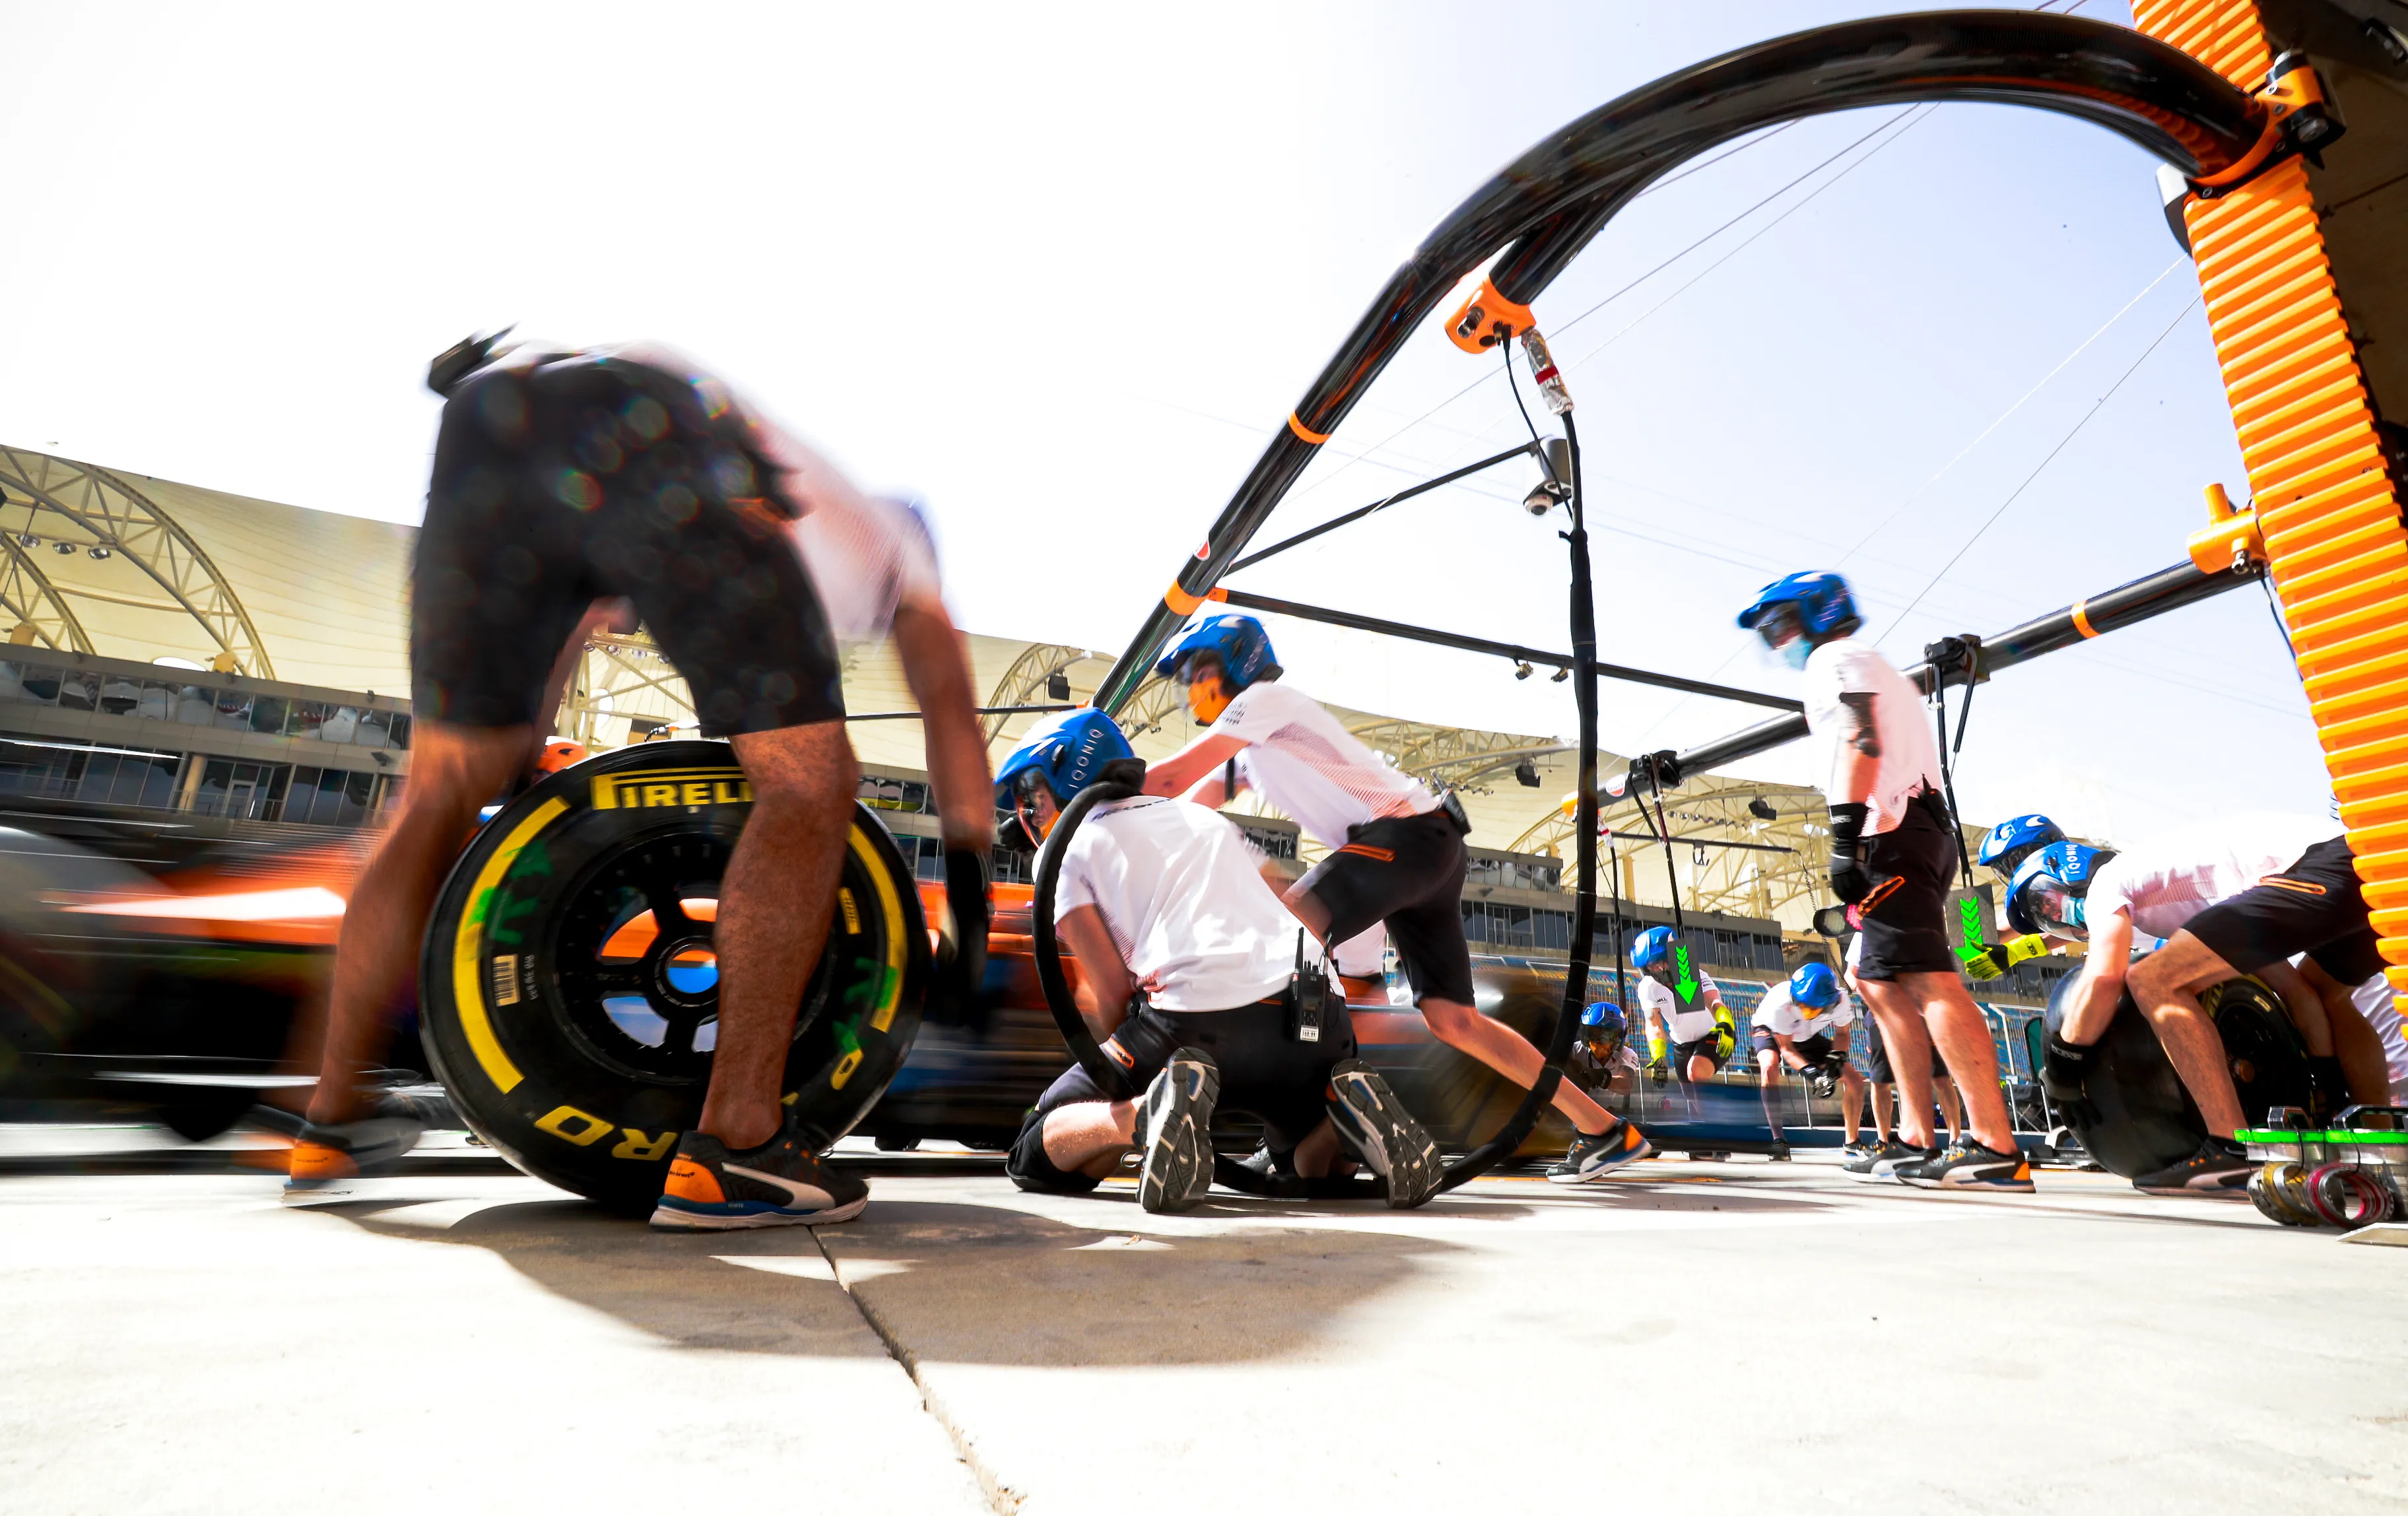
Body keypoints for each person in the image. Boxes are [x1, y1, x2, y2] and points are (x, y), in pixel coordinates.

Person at [286, 339, 995, 1236]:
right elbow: (951, 716)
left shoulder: (778, 501)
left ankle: (331, 1119)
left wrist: (514, 761)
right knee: (810, 785)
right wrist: (968, 887)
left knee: (440, 791)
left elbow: (578, 614)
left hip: (491, 419)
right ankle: (737, 1147)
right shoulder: (899, 550)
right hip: (655, 427)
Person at [1139, 612, 1651, 1184]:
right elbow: (1189, 805)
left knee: (1286, 935)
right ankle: (1606, 1129)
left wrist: (1095, 791)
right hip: (1419, 851)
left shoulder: (1264, 699)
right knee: (1451, 1020)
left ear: (1237, 665)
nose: (1192, 686)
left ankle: (1302, 1129)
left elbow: (1165, 782)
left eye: (1199, 670)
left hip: (1401, 840)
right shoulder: (1251, 750)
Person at [999, 709, 1442, 1211]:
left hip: (1192, 1024)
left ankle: (1147, 1114)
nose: (1027, 820)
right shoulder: (1202, 818)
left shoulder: (1064, 851)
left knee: (1037, 1147)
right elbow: (1294, 902)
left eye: (1027, 803)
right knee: (1304, 1161)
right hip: (1316, 1015)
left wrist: (1116, 1077)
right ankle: (1346, 1120)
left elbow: (1110, 993)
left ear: (1055, 781)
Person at [1739, 570, 2030, 1190]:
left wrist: (1844, 835)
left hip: (1892, 828)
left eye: (1780, 624)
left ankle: (1994, 1145)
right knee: (1879, 987)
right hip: (1909, 827)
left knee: (1931, 984)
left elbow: (1861, 738)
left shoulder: (1835, 659)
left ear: (1818, 615)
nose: (1777, 640)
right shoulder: (1864, 663)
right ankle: (1915, 1139)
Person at [2010, 814, 2390, 1193]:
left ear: (2062, 875)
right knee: (2325, 991)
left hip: (2324, 860)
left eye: (2047, 909)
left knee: (2152, 979)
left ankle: (2230, 1150)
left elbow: (2105, 977)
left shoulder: (2105, 885)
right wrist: (2323, 1082)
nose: (2056, 922)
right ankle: (2380, 1152)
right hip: (2374, 863)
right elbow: (2298, 994)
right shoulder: (2186, 895)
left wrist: (2061, 1066)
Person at [1749, 962, 1852, 1161]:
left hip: (1806, 1033)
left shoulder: (1841, 1000)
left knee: (1853, 1079)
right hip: (1772, 1029)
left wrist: (1833, 1066)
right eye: (1802, 1004)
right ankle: (1778, 1139)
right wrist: (1814, 1076)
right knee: (1770, 1066)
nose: (1805, 1010)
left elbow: (1843, 1034)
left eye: (1812, 1008)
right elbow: (1787, 1050)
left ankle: (1852, 1141)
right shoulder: (1780, 1003)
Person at [1629, 925, 1736, 1091]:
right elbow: (1654, 1024)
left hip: (1713, 1034)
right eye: (1651, 966)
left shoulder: (1696, 975)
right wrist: (1658, 1055)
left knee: (1696, 1072)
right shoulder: (1647, 987)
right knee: (1690, 1098)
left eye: (1660, 963)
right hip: (1681, 1043)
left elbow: (1715, 1003)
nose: (1657, 969)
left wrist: (1727, 1024)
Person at [1568, 1001, 1642, 1111]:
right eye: (1593, 1035)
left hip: (1608, 1113)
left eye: (1605, 1036)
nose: (1598, 1043)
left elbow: (1625, 1086)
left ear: (1618, 1038)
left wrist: (1597, 1077)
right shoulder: (1574, 1051)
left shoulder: (1627, 1054)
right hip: (1576, 1111)